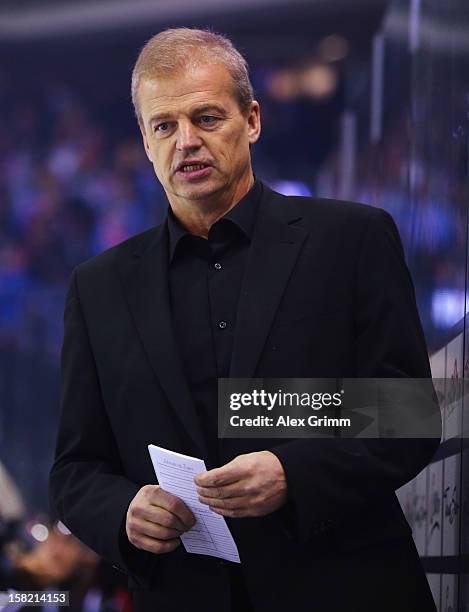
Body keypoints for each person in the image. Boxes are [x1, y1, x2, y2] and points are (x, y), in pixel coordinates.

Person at [49, 28, 441, 612]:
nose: (186, 142)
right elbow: (76, 469)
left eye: (206, 118)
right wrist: (122, 513)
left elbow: (407, 413)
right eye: (165, 126)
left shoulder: (351, 239)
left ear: (251, 120)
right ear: (146, 140)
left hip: (347, 587)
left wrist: (294, 473)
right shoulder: (97, 287)